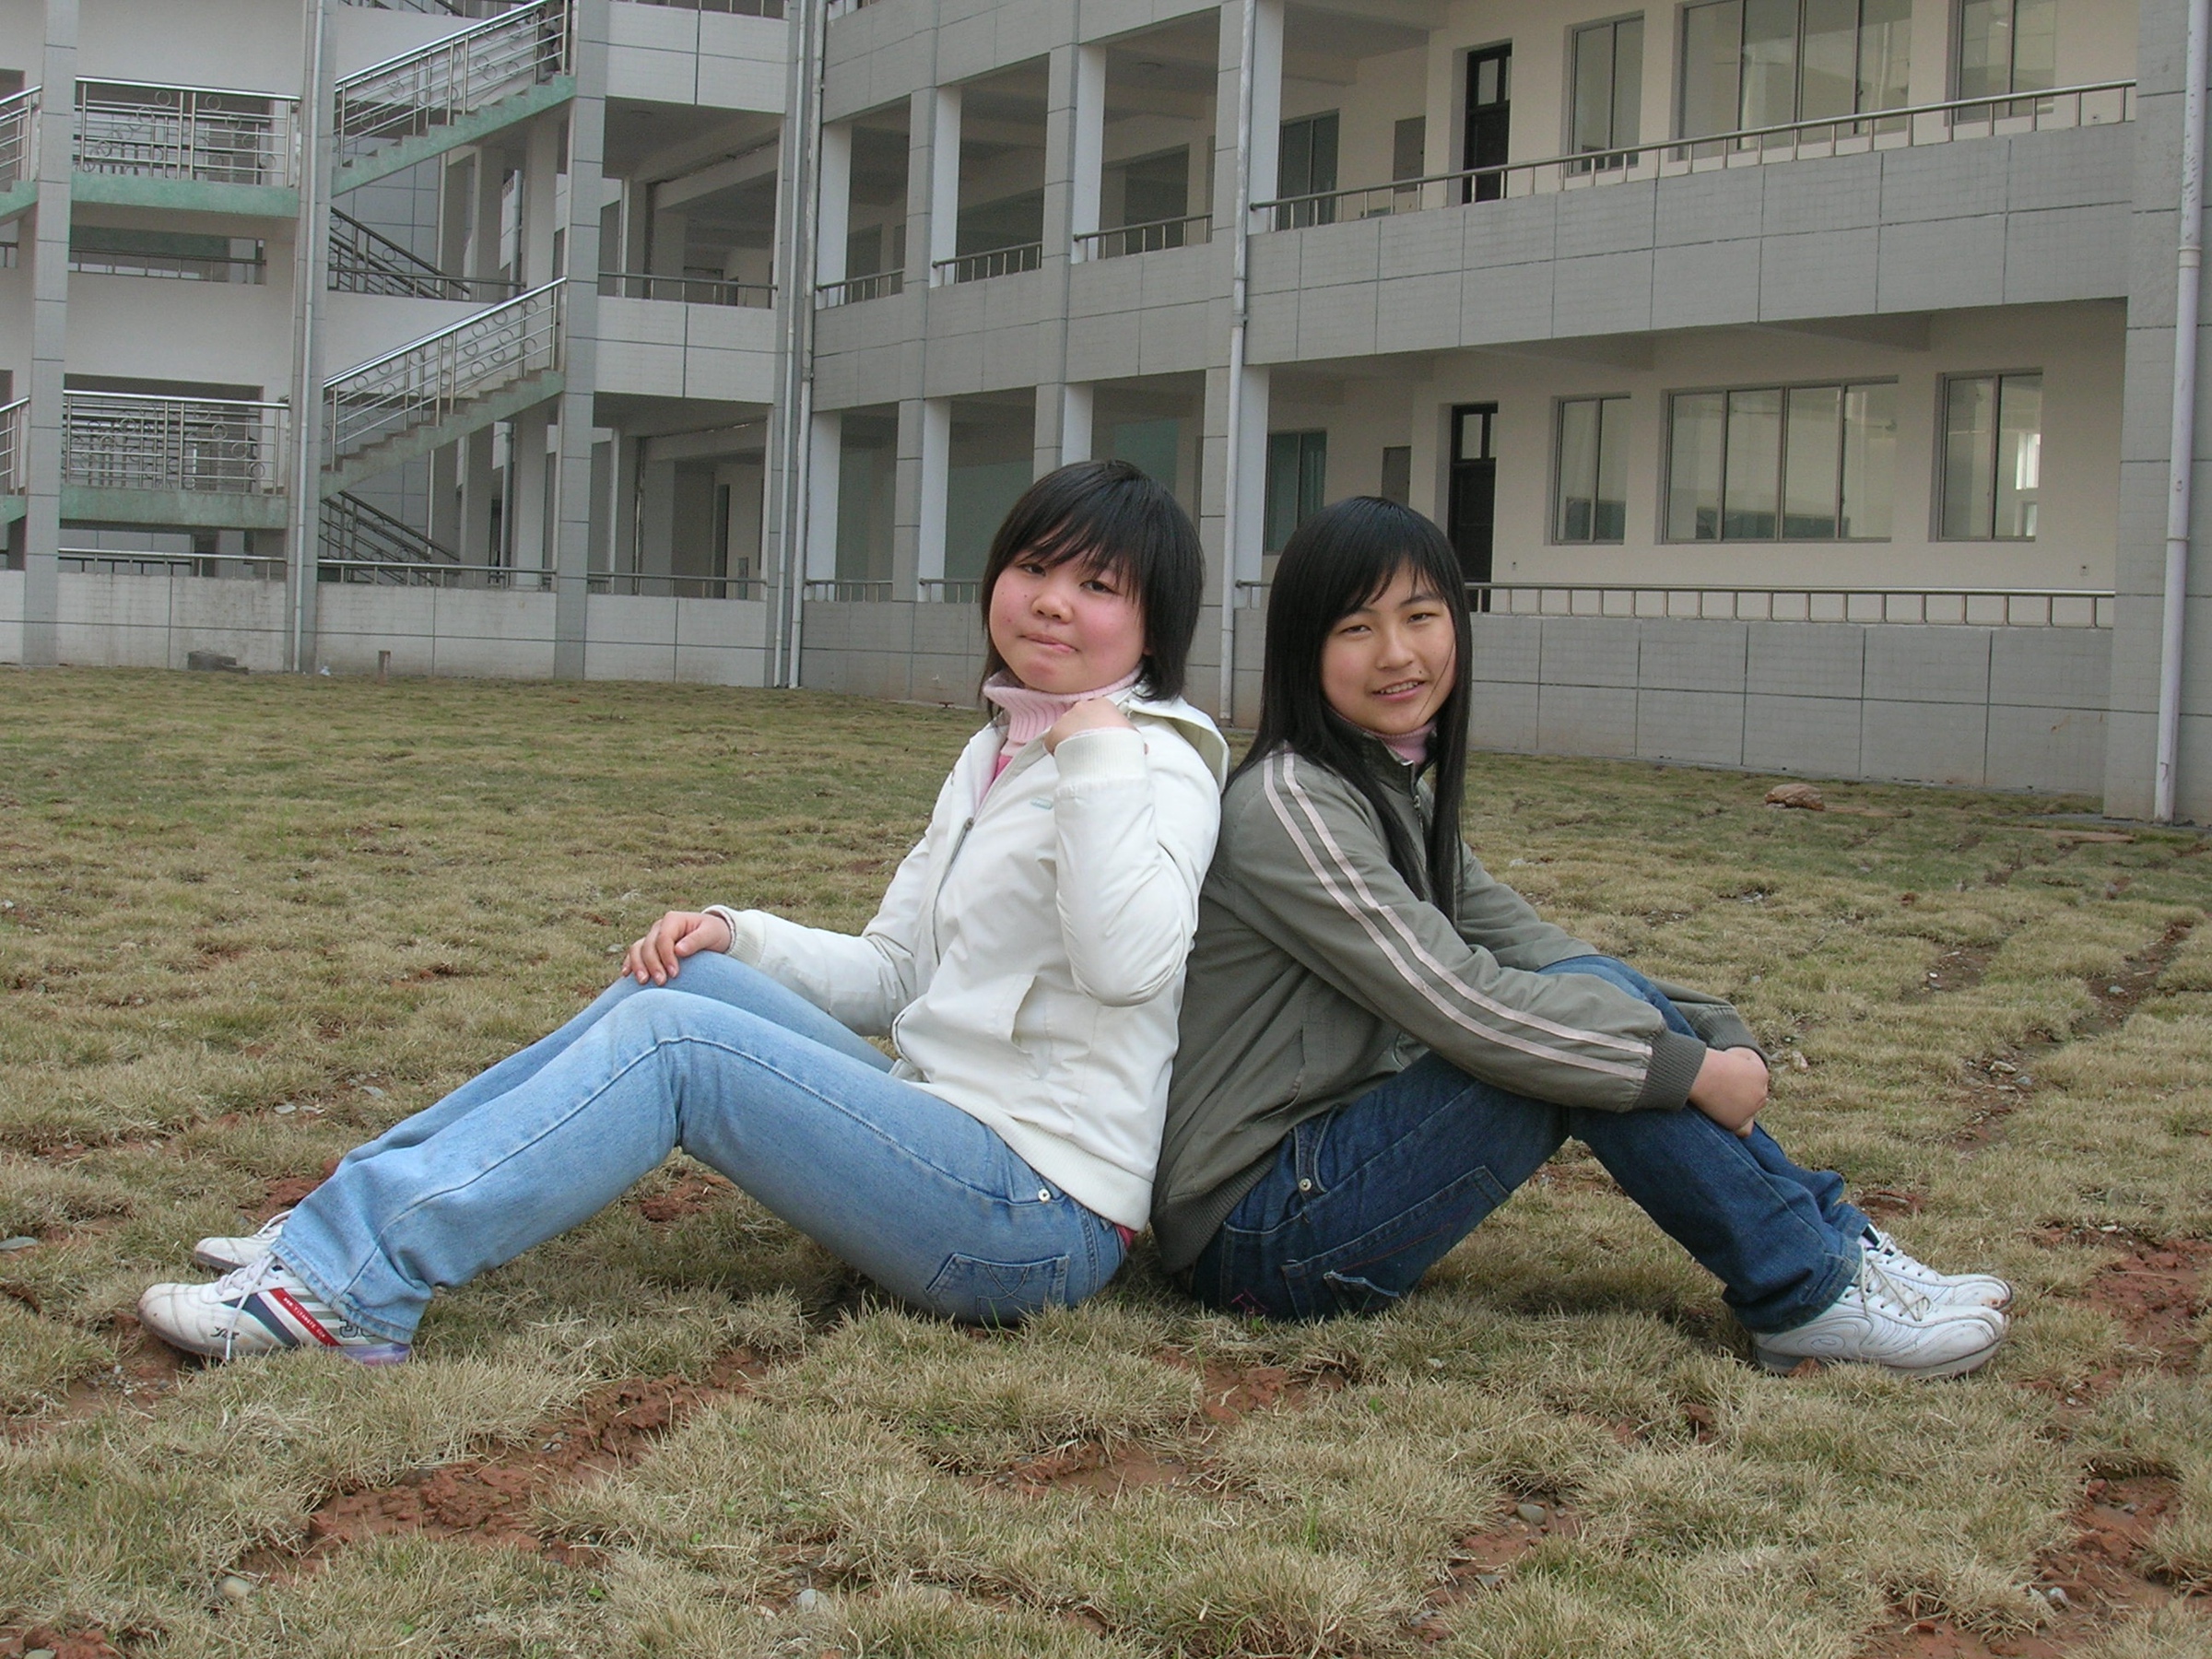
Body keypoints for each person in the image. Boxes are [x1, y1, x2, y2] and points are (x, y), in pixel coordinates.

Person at [139, 461, 1229, 1363]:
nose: (1051, 600)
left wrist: (1099, 759)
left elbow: (1128, 968)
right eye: (1033, 567)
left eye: (1097, 585)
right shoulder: (1001, 746)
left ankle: (347, 1288)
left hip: (1036, 1217)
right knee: (687, 979)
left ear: (1154, 624)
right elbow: (898, 971)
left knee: (678, 1045)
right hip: (942, 1130)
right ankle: (335, 1220)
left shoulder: (1154, 766)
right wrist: (737, 933)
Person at [1152, 497, 2010, 1378]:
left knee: (1585, 1002)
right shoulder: (1290, 804)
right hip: (1258, 1233)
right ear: (1303, 648)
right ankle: (1805, 1291)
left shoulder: (1389, 789)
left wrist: (1714, 1031)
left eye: (1420, 617)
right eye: (1356, 628)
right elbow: (1463, 1006)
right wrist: (1683, 1069)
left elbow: (1541, 947)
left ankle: (1832, 1245)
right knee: (1560, 1049)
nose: (1398, 653)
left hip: (1326, 1172)